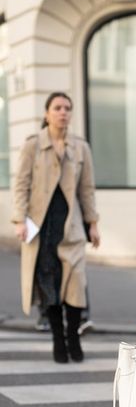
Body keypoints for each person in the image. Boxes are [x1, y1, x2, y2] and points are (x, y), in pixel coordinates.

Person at [12, 92, 100, 363]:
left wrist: (92, 223)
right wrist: (19, 220)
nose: (63, 112)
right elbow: (21, 185)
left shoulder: (80, 147)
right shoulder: (33, 146)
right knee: (50, 286)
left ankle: (73, 337)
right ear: (47, 113)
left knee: (74, 284)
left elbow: (87, 189)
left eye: (67, 108)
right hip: (42, 227)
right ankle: (58, 341)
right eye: (58, 108)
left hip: (71, 226)